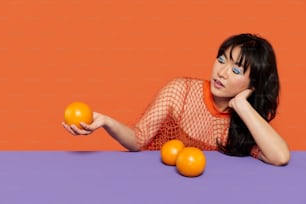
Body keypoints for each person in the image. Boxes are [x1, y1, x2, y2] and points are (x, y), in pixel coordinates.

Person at [62, 33, 290, 166]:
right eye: (221, 60)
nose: (221, 72)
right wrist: (106, 122)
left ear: (253, 85)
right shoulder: (180, 91)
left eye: (236, 71)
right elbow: (138, 140)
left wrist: (241, 105)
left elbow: (280, 157)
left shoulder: (243, 122)